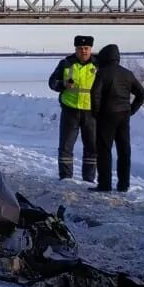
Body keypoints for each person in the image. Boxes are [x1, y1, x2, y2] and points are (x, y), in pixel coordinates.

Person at [89, 44, 144, 193]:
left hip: (106, 116)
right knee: (124, 151)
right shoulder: (128, 74)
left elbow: (94, 95)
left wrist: (96, 113)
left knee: (104, 151)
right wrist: (131, 110)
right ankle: (123, 184)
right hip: (123, 115)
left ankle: (105, 184)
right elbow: (142, 94)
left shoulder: (102, 73)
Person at [47, 35, 97, 182]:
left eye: (86, 48)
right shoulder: (66, 63)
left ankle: (88, 178)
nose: (83, 51)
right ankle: (65, 177)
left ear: (90, 49)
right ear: (75, 49)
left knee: (92, 147)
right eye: (80, 48)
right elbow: (52, 83)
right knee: (66, 146)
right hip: (70, 110)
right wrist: (63, 84)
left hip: (91, 111)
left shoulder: (98, 65)